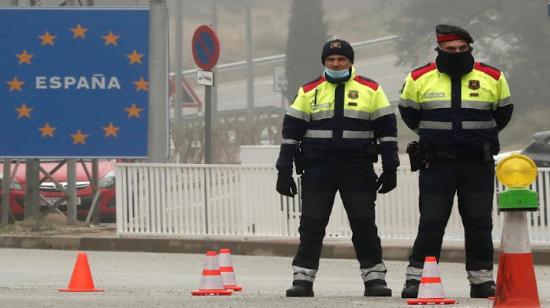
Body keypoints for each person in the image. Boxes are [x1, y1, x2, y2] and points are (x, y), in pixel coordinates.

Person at [275, 38, 399, 297]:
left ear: (350, 61)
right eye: (331, 60)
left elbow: (387, 133)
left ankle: (375, 280)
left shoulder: (371, 89)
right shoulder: (309, 90)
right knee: (311, 224)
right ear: (324, 62)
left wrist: (390, 168)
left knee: (364, 224)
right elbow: (290, 135)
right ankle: (303, 280)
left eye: (341, 59)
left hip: (358, 168)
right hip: (318, 169)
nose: (336, 63)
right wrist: (283, 170)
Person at [398, 24, 513, 299]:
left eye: (462, 49)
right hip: (437, 163)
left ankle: (481, 281)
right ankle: (417, 279)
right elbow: (409, 114)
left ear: (470, 48)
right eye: (450, 50)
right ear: (439, 49)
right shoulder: (418, 77)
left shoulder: (493, 77)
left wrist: (479, 137)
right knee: (431, 221)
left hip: (477, 163)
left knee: (479, 222)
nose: (457, 53)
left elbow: (503, 113)